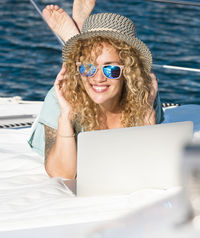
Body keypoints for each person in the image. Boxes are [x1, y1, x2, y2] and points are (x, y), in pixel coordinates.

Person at [28, 1, 164, 180]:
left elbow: (148, 164)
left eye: (111, 69)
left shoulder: (145, 94)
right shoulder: (61, 99)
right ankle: (79, 41)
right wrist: (66, 115)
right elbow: (63, 174)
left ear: (128, 71)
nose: (98, 78)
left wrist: (147, 113)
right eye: (87, 67)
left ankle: (78, 38)